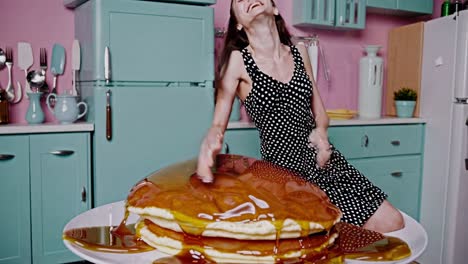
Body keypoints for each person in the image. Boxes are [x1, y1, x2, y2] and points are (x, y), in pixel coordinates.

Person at [197, 0, 404, 233]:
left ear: (275, 9)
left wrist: (321, 134)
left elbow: (320, 113)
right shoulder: (238, 61)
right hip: (282, 174)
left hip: (323, 162)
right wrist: (209, 144)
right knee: (319, 237)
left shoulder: (299, 52)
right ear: (237, 25)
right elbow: (218, 124)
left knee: (392, 222)